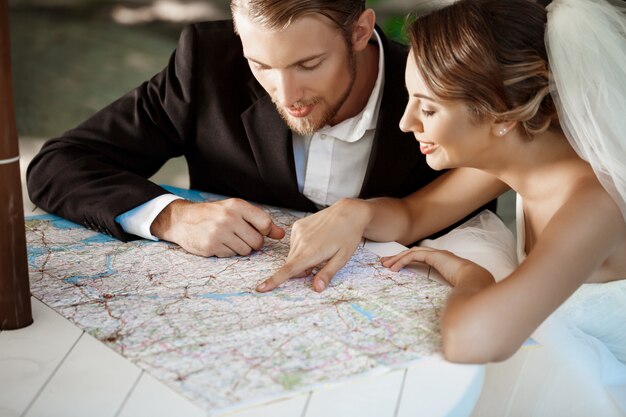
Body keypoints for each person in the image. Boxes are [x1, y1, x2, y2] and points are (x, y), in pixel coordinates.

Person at [259, 0, 626, 383]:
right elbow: (413, 216)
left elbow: (473, 341)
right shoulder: (527, 155)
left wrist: (473, 277)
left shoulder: (594, 206)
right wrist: (356, 211)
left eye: (429, 110)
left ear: (501, 114)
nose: (405, 123)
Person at [28, 0, 479, 258]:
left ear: (361, 32)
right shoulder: (206, 62)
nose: (286, 95)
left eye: (309, 64)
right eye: (260, 64)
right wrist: (173, 216)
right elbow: (58, 165)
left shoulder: (438, 86)